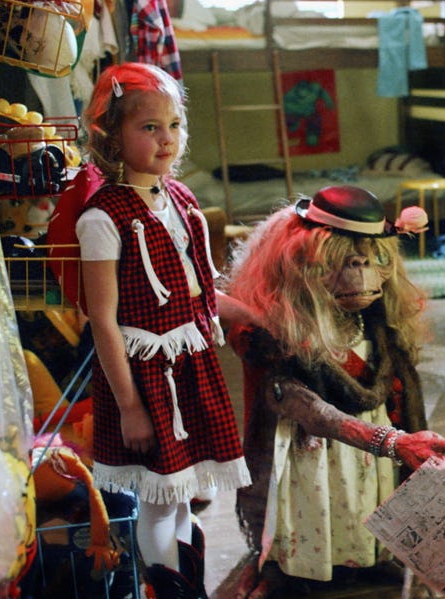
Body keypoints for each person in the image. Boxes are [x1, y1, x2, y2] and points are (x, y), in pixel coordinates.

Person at [223, 185, 445, 596]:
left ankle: (368, 557)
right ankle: (303, 567)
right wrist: (393, 442)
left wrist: (398, 441)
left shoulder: (378, 326)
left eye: (370, 261)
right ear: (303, 264)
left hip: (375, 452)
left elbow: (398, 391)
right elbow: (308, 409)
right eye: (340, 263)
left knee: (367, 501)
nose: (359, 275)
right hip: (314, 454)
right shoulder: (278, 340)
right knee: (319, 508)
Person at [76, 62, 252, 597]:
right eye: (148, 127)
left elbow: (197, 291)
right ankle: (166, 590)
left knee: (182, 495)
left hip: (190, 367)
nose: (165, 140)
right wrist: (130, 406)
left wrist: (259, 315)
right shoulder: (102, 218)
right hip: (145, 376)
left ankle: (185, 585)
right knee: (157, 499)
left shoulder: (182, 203)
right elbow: (102, 320)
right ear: (112, 136)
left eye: (173, 125)